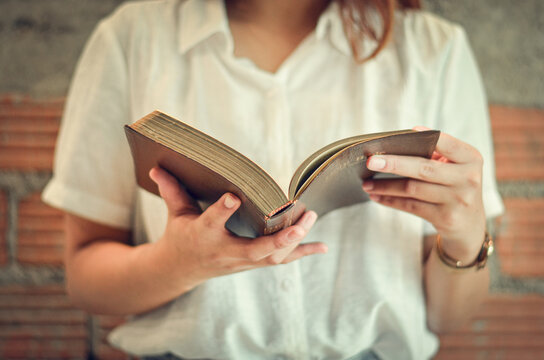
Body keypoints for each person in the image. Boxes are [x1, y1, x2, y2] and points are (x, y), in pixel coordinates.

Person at [42, 0, 504, 358]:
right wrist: (179, 263)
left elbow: (447, 318)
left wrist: (464, 236)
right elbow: (86, 281)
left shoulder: (435, 50)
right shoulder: (131, 38)